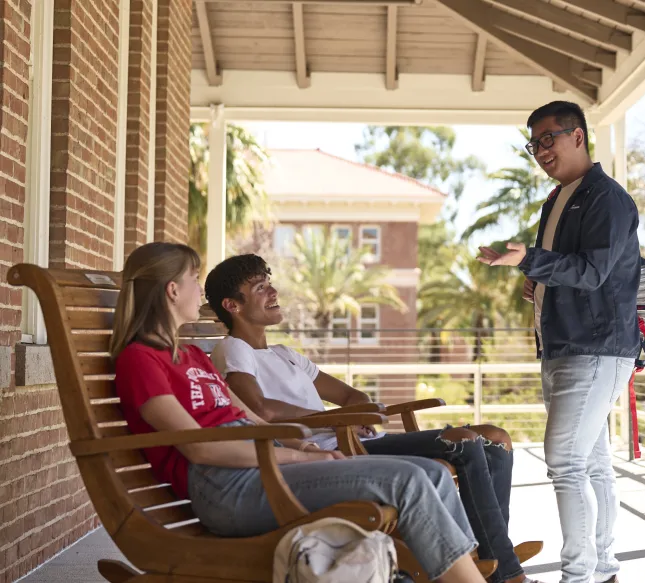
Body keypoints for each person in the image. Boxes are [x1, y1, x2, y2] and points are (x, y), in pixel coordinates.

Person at [110, 242, 486, 583]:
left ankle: (460, 569)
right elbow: (201, 449)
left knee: (432, 472)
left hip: (260, 468)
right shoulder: (139, 360)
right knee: (408, 481)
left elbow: (252, 420)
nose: (200, 291)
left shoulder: (192, 356)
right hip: (225, 486)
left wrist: (306, 450)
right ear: (172, 291)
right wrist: (291, 453)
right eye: (193, 279)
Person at [203, 254, 540, 583]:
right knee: (464, 443)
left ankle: (491, 554)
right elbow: (259, 408)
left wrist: (354, 412)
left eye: (269, 283)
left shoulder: (284, 354)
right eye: (260, 287)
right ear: (233, 305)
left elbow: (352, 396)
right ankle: (505, 572)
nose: (273, 293)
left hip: (357, 439)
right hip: (331, 452)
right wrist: (335, 419)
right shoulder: (233, 349)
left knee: (495, 438)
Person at [476, 101, 641, 583]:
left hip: (594, 348)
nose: (541, 150)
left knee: (566, 461)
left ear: (578, 136)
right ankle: (602, 565)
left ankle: (578, 575)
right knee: (590, 462)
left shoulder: (605, 198)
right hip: (566, 346)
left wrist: (531, 259)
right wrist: (536, 280)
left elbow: (591, 273)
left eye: (549, 138)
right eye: (534, 143)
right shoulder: (559, 198)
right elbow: (571, 269)